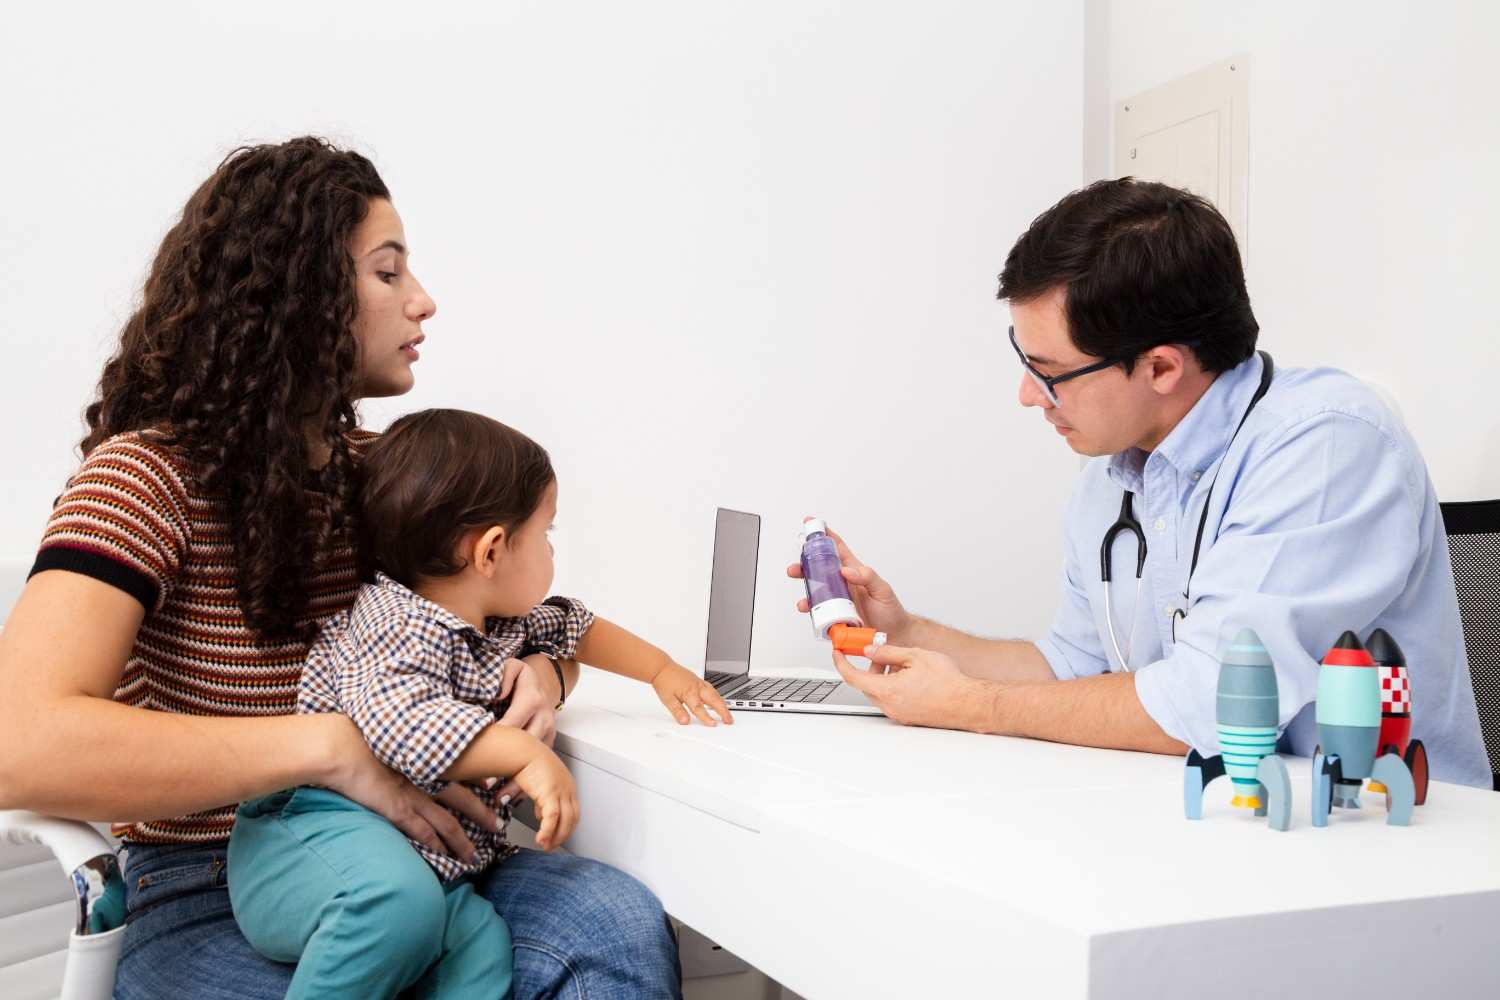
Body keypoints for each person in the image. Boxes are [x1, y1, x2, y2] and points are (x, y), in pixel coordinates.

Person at [0, 136, 683, 998]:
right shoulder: (144, 480)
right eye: (388, 273)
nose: (424, 302)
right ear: (300, 295)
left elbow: (513, 620)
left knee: (610, 926)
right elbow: (16, 745)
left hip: (427, 856)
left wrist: (544, 674)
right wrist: (327, 749)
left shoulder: (387, 480)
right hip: (207, 888)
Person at [792, 178, 1490, 789]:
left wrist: (970, 705)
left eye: (1050, 372)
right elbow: (1072, 668)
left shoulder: (1329, 442)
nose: (1028, 397)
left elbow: (1216, 704)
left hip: (1383, 849)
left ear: (1160, 368)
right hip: (1209, 824)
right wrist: (905, 629)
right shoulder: (1116, 475)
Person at [228, 408, 731, 999]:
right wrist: (522, 752)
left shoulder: (498, 625)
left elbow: (579, 626)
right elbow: (403, 724)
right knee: (395, 908)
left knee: (483, 953)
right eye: (546, 534)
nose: (550, 551)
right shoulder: (394, 624)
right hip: (312, 833)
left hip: (430, 865)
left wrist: (661, 670)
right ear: (491, 551)